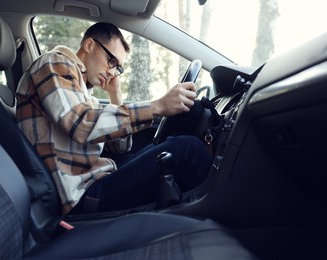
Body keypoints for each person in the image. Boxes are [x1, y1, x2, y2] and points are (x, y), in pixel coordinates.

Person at [16, 22, 212, 215]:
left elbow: (120, 148)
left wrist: (115, 94)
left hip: (94, 178)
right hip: (78, 195)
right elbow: (80, 124)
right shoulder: (54, 62)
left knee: (169, 145)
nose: (112, 72)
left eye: (118, 68)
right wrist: (157, 107)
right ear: (90, 45)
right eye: (112, 61)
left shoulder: (86, 96)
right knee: (188, 150)